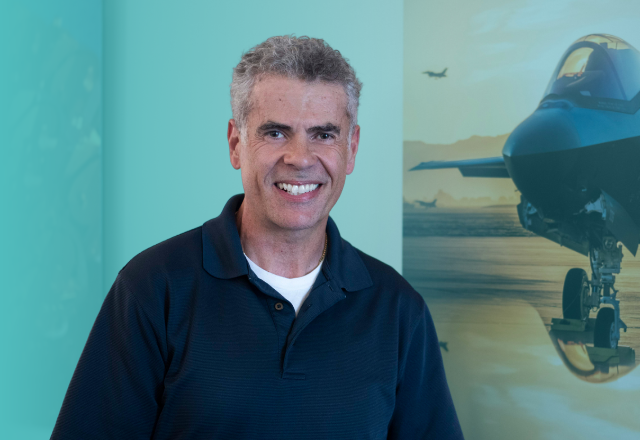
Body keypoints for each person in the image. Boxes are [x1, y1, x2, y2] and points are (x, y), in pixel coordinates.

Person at [51, 36, 463, 440]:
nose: (300, 159)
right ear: (236, 144)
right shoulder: (153, 289)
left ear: (351, 148)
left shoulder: (398, 310)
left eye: (323, 134)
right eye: (276, 133)